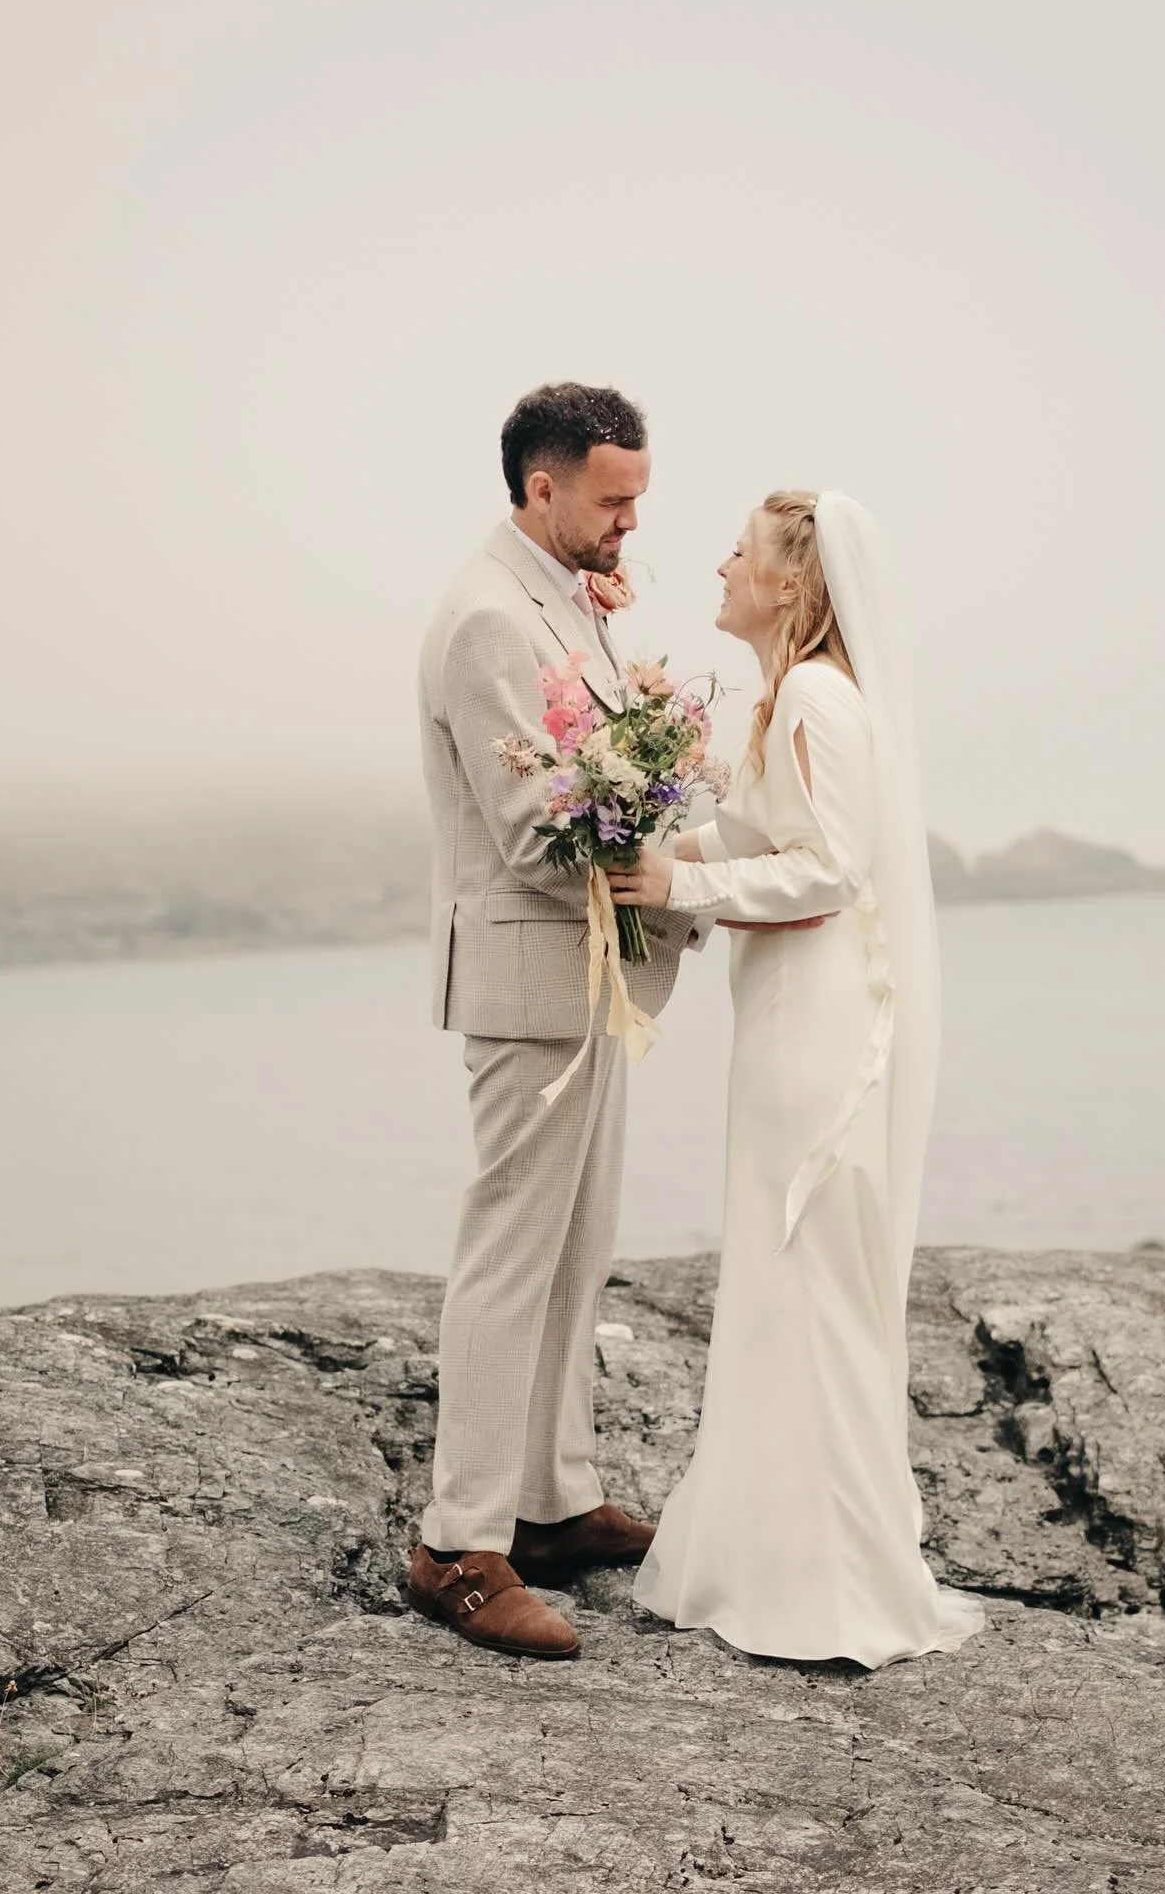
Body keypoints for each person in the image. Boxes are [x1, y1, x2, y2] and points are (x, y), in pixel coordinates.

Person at [405, 388, 821, 1660]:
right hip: (534, 975)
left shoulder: (567, 596)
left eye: (638, 494)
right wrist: (683, 850)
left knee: (578, 1250)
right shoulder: (487, 618)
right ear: (541, 489)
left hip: (594, 977)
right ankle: (456, 1544)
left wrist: (666, 803)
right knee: (511, 1255)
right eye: (613, 499)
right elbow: (538, 830)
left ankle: (554, 1500)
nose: (634, 521)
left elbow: (594, 776)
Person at [611, 490, 986, 1667]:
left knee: (810, 1265)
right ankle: (775, 1557)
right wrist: (648, 839)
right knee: (781, 1273)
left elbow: (829, 869)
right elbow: (756, 836)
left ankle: (834, 1585)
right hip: (784, 1011)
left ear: (792, 584)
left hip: (822, 1020)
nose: (719, 565)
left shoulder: (821, 696)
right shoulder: (788, 700)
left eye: (741, 552)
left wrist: (683, 892)